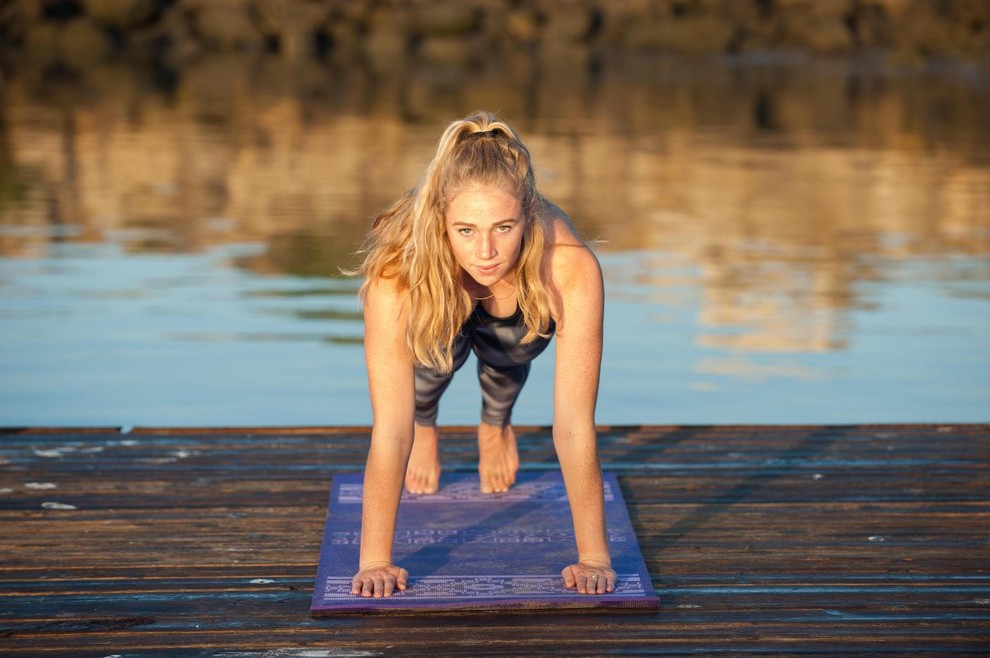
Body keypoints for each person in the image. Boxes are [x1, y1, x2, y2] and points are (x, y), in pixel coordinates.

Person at [350, 111, 615, 598]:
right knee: (432, 363)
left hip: (519, 311)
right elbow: (389, 427)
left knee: (511, 351)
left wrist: (594, 555)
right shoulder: (398, 270)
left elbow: (575, 424)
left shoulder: (570, 267)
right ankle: (429, 424)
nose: (487, 251)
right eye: (466, 230)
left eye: (504, 227)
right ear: (441, 221)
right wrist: (375, 561)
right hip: (437, 298)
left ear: (529, 217)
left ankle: (494, 424)